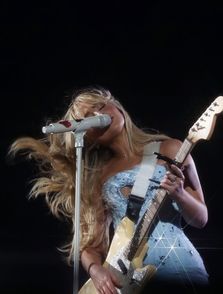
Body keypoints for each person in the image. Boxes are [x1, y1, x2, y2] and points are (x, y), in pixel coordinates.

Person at [9, 86, 209, 293]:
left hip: (180, 269)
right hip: (128, 282)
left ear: (118, 108)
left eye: (101, 106)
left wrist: (181, 195)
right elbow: (91, 244)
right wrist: (96, 270)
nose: (99, 115)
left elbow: (201, 219)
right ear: (87, 136)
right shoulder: (99, 176)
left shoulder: (171, 150)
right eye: (88, 117)